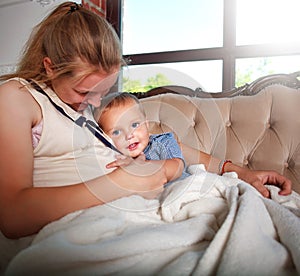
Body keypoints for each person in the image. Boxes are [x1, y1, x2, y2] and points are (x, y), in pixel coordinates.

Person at [0, 2, 292, 239]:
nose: (94, 103)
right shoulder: (17, 97)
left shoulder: (83, 113)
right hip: (94, 229)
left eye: (103, 92)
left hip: (141, 211)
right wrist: (124, 182)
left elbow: (160, 145)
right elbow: (13, 216)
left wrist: (238, 170)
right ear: (50, 68)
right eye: (85, 91)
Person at [96, 92, 190, 183]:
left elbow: (177, 168)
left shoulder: (162, 142)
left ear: (146, 124)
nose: (129, 136)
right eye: (117, 132)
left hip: (183, 188)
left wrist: (141, 166)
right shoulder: (114, 156)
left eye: (134, 125)